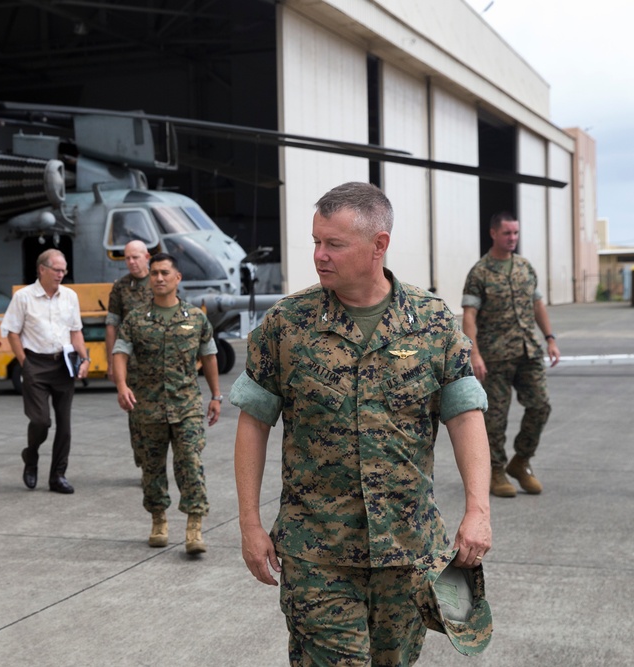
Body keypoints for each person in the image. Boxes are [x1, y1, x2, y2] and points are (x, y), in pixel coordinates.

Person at [231, 182, 493, 665]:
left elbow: (465, 417)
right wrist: (249, 522)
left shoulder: (433, 323)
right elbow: (253, 424)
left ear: (379, 245)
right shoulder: (286, 324)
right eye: (316, 241)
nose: (319, 255)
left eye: (334, 243)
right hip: (317, 551)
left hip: (408, 549)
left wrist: (478, 509)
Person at [113, 253, 222, 554]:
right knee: (151, 468)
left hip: (186, 406)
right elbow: (120, 352)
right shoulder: (136, 318)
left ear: (177, 278)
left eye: (164, 273)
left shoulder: (196, 318)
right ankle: (158, 519)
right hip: (146, 408)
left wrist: (216, 395)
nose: (158, 278)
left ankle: (194, 526)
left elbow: (209, 356)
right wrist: (122, 385)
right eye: (154, 274)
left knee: (191, 462)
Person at [462, 212, 561, 498]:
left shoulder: (525, 267)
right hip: (495, 356)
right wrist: (475, 354)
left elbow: (538, 304)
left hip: (528, 350)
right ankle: (495, 470)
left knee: (540, 406)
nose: (512, 239)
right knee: (495, 418)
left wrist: (550, 339)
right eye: (507, 233)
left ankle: (521, 461)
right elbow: (469, 316)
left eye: (516, 233)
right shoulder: (480, 272)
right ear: (494, 233)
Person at [2, 248, 90, 494]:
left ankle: (58, 476)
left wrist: (85, 359)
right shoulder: (24, 297)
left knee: (65, 425)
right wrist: (25, 363)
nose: (61, 274)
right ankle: (31, 456)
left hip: (64, 364)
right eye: (57, 270)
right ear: (42, 269)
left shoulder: (70, 296)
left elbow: (76, 331)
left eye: (64, 270)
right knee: (41, 421)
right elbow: (12, 331)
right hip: (35, 365)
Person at [105, 240, 154, 467]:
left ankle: (154, 461)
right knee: (136, 417)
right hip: (131, 363)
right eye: (127, 258)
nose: (131, 262)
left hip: (159, 360)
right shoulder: (121, 287)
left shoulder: (160, 280)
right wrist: (111, 363)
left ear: (147, 256)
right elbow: (111, 326)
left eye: (135, 257)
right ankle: (143, 458)